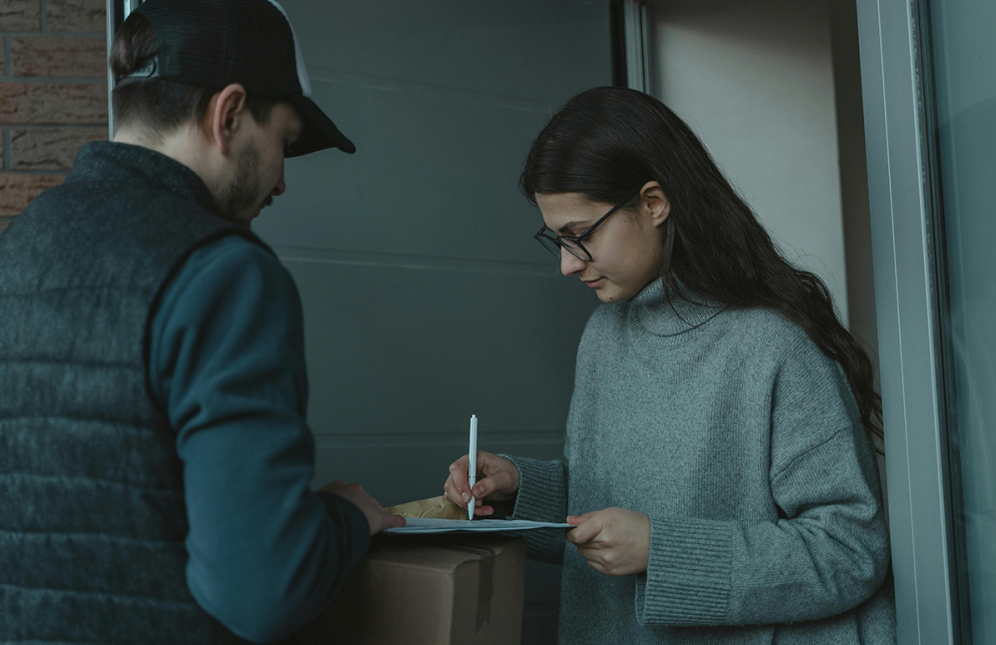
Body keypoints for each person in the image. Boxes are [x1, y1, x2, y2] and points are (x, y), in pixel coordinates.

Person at [0, 1, 403, 643]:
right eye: (285, 142)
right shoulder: (224, 275)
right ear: (230, 114)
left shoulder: (18, 247)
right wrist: (346, 518)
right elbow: (262, 593)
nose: (280, 184)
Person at [444, 87, 895, 644]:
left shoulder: (773, 347)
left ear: (654, 202)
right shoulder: (604, 336)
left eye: (579, 236)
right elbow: (617, 508)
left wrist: (664, 551)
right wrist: (518, 492)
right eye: (555, 240)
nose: (565, 264)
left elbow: (850, 551)